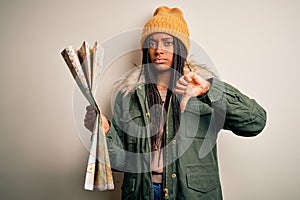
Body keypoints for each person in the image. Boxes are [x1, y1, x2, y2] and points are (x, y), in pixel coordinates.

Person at [84, 6, 266, 200]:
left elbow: (255, 122)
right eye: (152, 42)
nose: (159, 50)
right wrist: (105, 132)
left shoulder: (201, 88)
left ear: (180, 48)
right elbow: (120, 162)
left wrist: (208, 91)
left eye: (167, 43)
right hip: (142, 194)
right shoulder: (128, 95)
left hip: (191, 195)